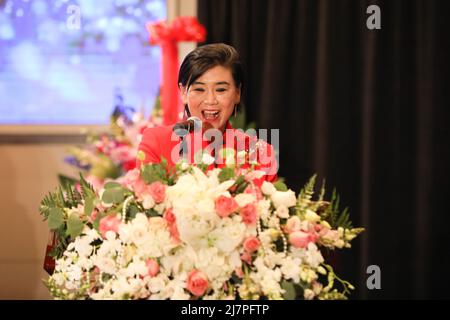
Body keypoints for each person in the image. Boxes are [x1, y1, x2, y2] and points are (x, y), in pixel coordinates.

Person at [137, 43, 278, 182]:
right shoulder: (157, 142)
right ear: (183, 92)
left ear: (237, 92)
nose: (210, 100)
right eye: (199, 89)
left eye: (221, 90)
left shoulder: (260, 153)